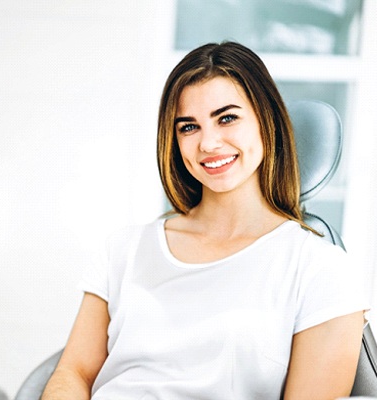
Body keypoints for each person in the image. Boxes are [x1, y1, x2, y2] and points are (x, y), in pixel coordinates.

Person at [41, 41, 369, 400]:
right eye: (188, 127)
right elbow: (73, 373)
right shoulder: (125, 249)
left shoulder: (321, 269)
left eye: (227, 118)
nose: (208, 143)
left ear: (266, 119)